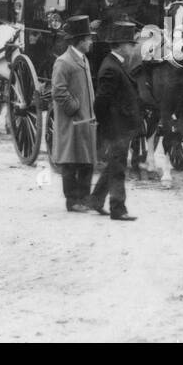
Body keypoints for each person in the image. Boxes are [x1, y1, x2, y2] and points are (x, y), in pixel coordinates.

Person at [86, 22, 142, 221]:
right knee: (118, 168)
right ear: (120, 45)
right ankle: (118, 209)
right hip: (116, 127)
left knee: (114, 164)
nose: (133, 47)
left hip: (121, 126)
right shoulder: (111, 68)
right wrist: (107, 127)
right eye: (130, 44)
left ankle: (95, 199)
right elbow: (101, 102)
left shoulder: (116, 64)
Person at [51, 15, 97, 212]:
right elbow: (58, 91)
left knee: (86, 160)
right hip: (72, 121)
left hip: (86, 120)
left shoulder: (83, 59)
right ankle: (72, 200)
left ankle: (84, 198)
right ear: (79, 41)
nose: (91, 42)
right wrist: (75, 107)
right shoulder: (64, 62)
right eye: (88, 39)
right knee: (70, 161)